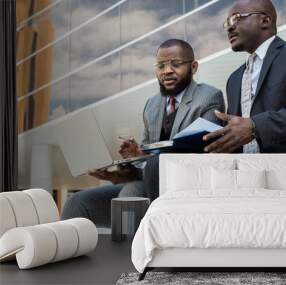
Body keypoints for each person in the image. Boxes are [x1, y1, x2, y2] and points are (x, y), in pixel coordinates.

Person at [62, 39, 225, 226]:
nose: (167, 71)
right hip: (150, 186)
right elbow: (147, 160)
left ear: (194, 67)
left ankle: (131, 255)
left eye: (176, 64)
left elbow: (203, 153)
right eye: (161, 66)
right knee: (77, 202)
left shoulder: (209, 97)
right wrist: (130, 162)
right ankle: (71, 252)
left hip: (184, 187)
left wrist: (146, 159)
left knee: (131, 193)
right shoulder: (152, 105)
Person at [203, 0, 286, 195]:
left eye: (236, 18)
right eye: (227, 23)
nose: (230, 27)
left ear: (265, 20)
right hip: (246, 187)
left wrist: (255, 126)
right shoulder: (234, 79)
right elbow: (239, 133)